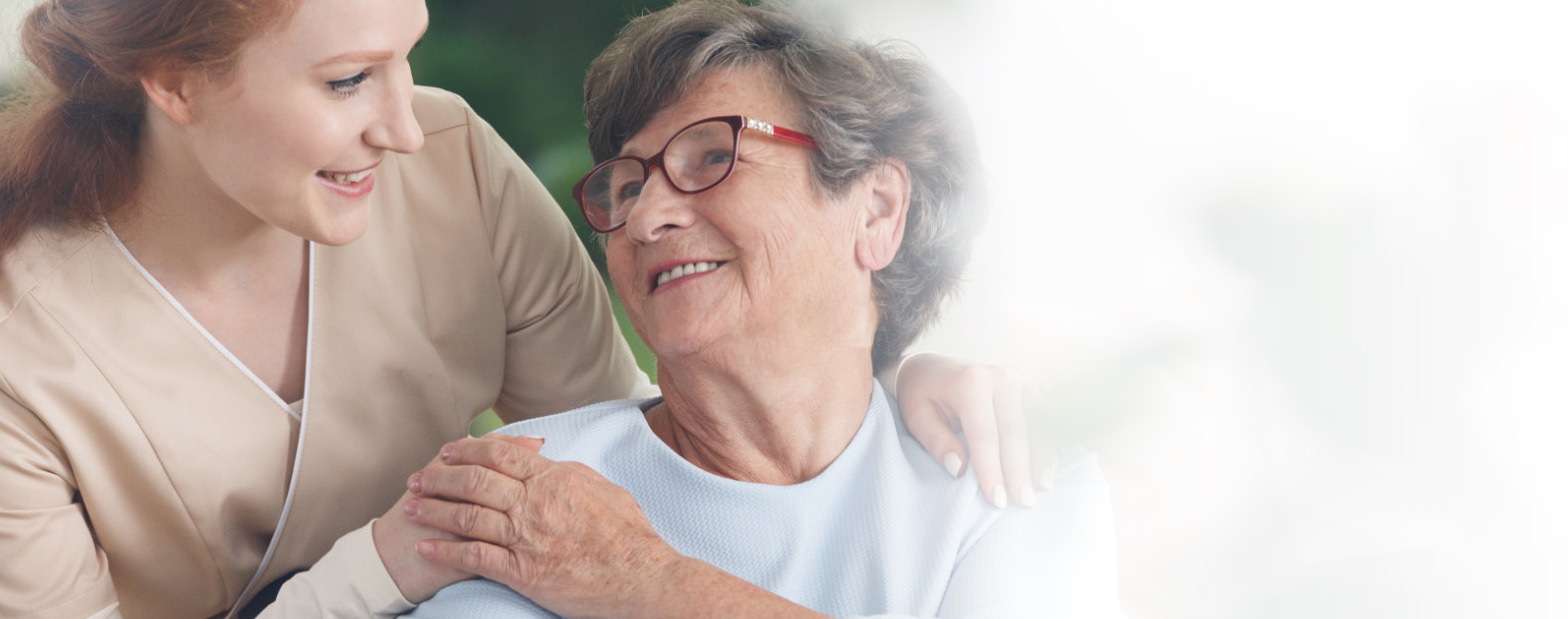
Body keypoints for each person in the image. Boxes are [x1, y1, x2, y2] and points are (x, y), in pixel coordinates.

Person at [0, 0, 1046, 617]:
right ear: (174, 83)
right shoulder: (24, 355)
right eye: (350, 79)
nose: (406, 126)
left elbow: (658, 457)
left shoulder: (450, 168)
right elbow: (611, 545)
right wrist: (381, 565)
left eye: (408, 52)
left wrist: (867, 354)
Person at [395, 2, 1123, 617]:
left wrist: (646, 580)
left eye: (711, 156)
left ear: (875, 210)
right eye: (623, 185)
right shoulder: (528, 497)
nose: (645, 217)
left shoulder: (1008, 483)